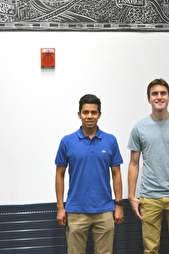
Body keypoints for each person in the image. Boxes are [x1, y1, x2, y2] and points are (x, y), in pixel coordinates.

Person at [127, 78, 169, 254]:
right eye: (154, 94)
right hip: (149, 196)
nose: (159, 97)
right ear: (149, 99)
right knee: (150, 249)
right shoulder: (139, 128)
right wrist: (131, 196)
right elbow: (134, 163)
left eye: (163, 93)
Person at [55, 94, 124, 254]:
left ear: (99, 114)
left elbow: (116, 174)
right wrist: (60, 207)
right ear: (79, 114)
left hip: (105, 210)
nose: (89, 116)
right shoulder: (67, 141)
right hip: (76, 211)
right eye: (85, 112)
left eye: (94, 112)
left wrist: (119, 205)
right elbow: (59, 174)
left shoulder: (110, 140)